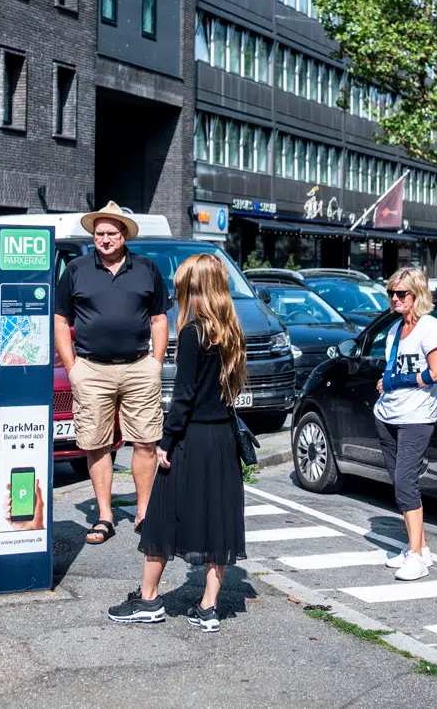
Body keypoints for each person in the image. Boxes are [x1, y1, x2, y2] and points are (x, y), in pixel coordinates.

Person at [109, 253, 248, 632]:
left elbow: (183, 395)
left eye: (183, 286)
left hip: (192, 438)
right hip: (222, 440)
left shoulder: (193, 332)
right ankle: (208, 607)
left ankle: (149, 598)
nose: (177, 293)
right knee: (218, 520)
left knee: (163, 515)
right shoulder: (231, 330)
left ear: (195, 289)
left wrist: (166, 441)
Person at [54, 202, 169, 546]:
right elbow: (61, 321)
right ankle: (105, 516)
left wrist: (156, 363)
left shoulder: (147, 269)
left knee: (146, 441)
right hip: (91, 369)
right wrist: (73, 368)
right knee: (97, 443)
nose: (104, 239)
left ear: (124, 235)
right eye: (99, 233)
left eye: (111, 233)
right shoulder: (75, 269)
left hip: (138, 367)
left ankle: (144, 513)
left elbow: (160, 319)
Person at [373, 266, 437, 582]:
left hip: (417, 418)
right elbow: (395, 371)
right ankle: (419, 546)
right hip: (387, 416)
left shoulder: (430, 327)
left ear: (417, 295)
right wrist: (386, 381)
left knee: (406, 484)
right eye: (392, 293)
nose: (395, 298)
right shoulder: (394, 330)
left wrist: (400, 380)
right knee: (401, 486)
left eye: (401, 293)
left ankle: (417, 558)